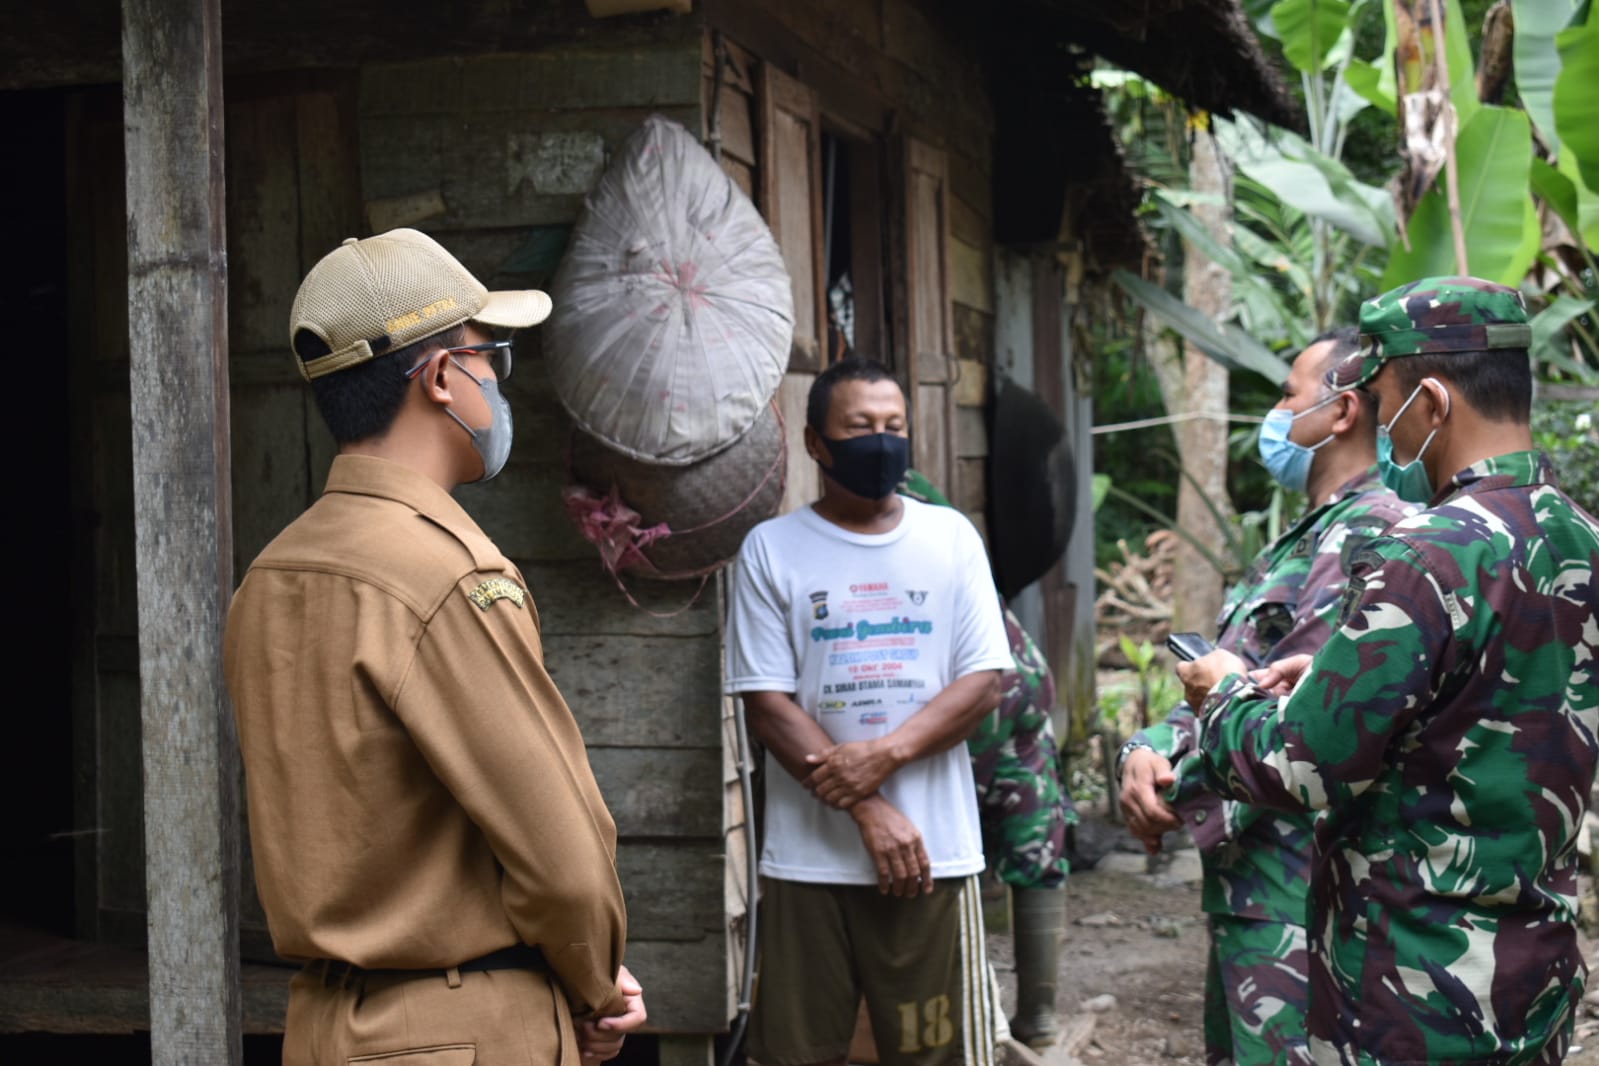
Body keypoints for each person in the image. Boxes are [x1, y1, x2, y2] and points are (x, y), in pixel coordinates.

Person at [224, 228, 646, 1065]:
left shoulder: (271, 575)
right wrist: (596, 987)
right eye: (490, 358)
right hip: (461, 1027)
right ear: (445, 378)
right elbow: (560, 856)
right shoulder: (446, 574)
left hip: (320, 1027)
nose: (495, 380)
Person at [1177, 277, 1599, 1064]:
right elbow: (1504, 696)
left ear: (1432, 401)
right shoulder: (1577, 534)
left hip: (1413, 983)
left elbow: (1295, 769)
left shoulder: (1425, 551)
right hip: (1531, 973)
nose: (1384, 432)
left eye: (1385, 400)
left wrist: (1223, 688)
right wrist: (1339, 674)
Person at [1116, 329, 1412, 1065]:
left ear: (1342, 412)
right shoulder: (1310, 537)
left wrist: (1166, 780)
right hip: (1260, 885)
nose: (1275, 416)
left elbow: (1286, 722)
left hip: (1304, 890)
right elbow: (1242, 678)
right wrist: (1144, 748)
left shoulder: (1369, 535)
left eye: (1287, 395)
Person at [725, 356, 1013, 1066]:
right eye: (859, 428)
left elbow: (982, 681)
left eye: (894, 427)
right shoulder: (772, 549)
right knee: (797, 1052)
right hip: (806, 861)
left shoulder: (949, 538)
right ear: (816, 443)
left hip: (933, 853)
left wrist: (884, 756)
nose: (880, 442)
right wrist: (869, 809)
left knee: (936, 1052)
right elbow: (767, 703)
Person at [900, 470, 1077, 1051]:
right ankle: (1027, 1019)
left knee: (947, 857)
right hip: (1012, 691)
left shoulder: (900, 502)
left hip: (977, 702)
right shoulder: (927, 501)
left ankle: (1003, 1022)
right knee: (1029, 850)